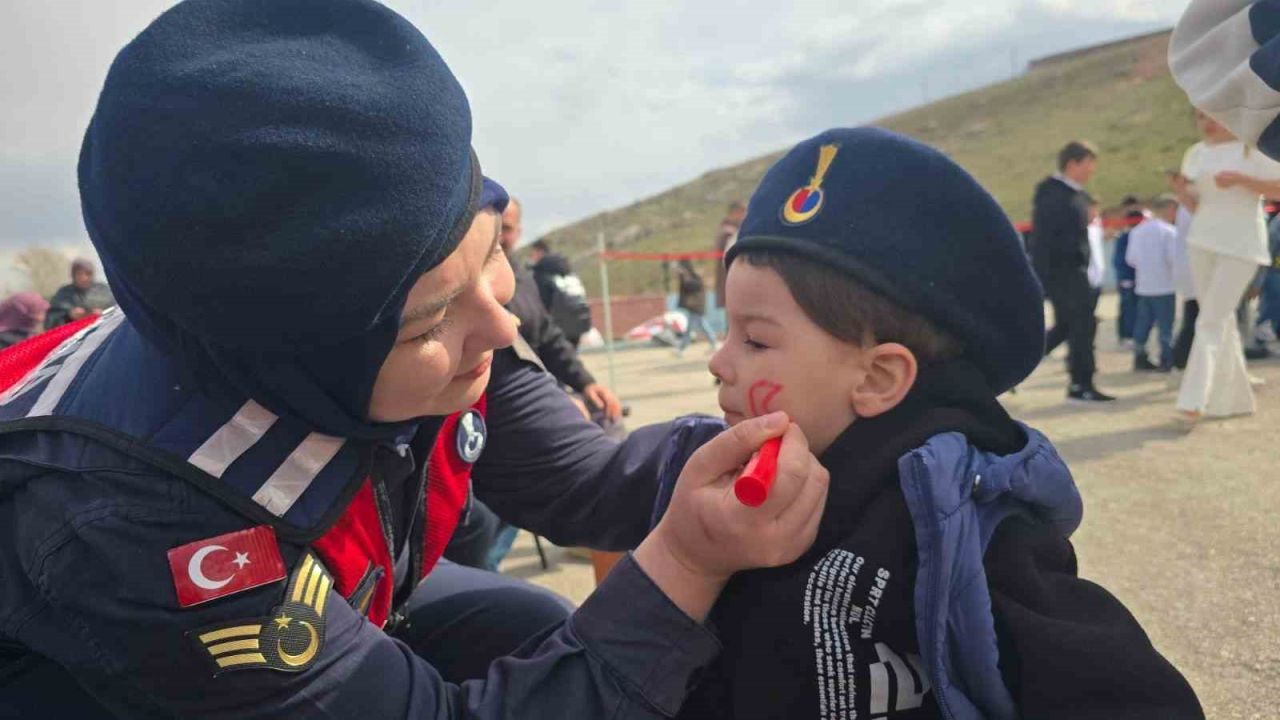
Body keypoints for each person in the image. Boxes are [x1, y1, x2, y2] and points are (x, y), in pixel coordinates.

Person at [0, 2, 831, 717]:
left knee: (537, 625)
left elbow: (582, 479)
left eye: (487, 254)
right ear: (301, 361)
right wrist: (685, 560)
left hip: (346, 592)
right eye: (431, 317)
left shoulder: (404, 301)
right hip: (124, 675)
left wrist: (799, 439)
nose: (501, 327)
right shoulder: (141, 525)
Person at [650, 128, 1202, 719]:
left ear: (878, 379)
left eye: (755, 339)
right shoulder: (715, 479)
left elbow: (1128, 694)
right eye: (729, 331)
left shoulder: (955, 523)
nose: (717, 360)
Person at [1170, 109, 1280, 421]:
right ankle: (1234, 400)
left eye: (1213, 116)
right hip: (1202, 240)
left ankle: (1194, 399)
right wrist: (1182, 194)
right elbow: (1196, 205)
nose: (1207, 122)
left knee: (1210, 320)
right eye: (1199, 117)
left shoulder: (1253, 148)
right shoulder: (1196, 153)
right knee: (1220, 321)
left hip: (1242, 244)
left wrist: (1243, 180)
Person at [1029, 141, 1114, 402]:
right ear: (1073, 163)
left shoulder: (1072, 194)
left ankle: (1023, 358)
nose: (1091, 171)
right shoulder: (1054, 195)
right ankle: (1081, 383)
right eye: (1088, 164)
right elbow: (1047, 239)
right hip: (1064, 272)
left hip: (1073, 271)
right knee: (1082, 325)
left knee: (1068, 325)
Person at [1126, 196, 1181, 372]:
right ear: (1169, 209)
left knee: (1142, 325)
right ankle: (1166, 360)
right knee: (1165, 327)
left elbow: (1131, 259)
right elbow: (1174, 259)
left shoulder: (1137, 231)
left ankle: (1140, 357)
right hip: (1164, 286)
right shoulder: (1170, 232)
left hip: (1144, 286)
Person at [527, 238, 592, 347]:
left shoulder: (541, 274)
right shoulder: (567, 270)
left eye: (533, 254)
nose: (532, 257)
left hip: (555, 328)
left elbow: (541, 303)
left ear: (539, 252)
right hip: (577, 324)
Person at [1111, 195, 1146, 346]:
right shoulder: (1126, 236)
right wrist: (1125, 278)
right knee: (1128, 307)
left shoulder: (1137, 234)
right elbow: (1119, 259)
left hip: (1137, 277)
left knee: (1134, 307)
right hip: (1127, 278)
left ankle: (1131, 334)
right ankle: (1125, 335)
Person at [44, 257, 115, 329]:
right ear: (73, 275)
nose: (83, 278)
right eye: (79, 274)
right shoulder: (64, 294)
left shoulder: (105, 291)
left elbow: (117, 314)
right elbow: (50, 322)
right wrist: (69, 316)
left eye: (87, 274)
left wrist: (104, 314)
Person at [674, 259, 718, 356]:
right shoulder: (688, 277)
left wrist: (684, 275)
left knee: (690, 329)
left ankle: (681, 349)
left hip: (697, 306)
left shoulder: (694, 277)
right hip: (695, 307)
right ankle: (714, 344)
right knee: (702, 325)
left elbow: (691, 286)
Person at [713, 201, 747, 311]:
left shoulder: (729, 232)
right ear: (736, 213)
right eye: (743, 212)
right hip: (733, 282)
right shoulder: (729, 233)